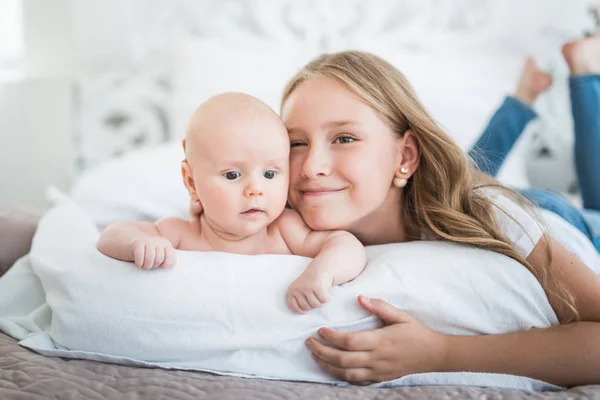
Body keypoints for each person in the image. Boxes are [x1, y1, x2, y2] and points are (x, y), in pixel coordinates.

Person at [278, 39, 600, 386]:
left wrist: (440, 353)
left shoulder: (490, 210)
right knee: (465, 170)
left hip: (562, 219)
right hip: (458, 189)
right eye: (296, 143)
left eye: (344, 138)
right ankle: (523, 97)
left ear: (405, 157)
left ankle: (582, 74)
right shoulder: (280, 212)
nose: (311, 167)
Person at [97, 92, 367, 314]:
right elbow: (110, 236)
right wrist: (137, 245)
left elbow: (346, 245)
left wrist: (323, 272)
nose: (255, 190)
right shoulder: (180, 233)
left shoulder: (285, 231)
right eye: (233, 175)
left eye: (270, 174)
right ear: (192, 183)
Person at [469, 36, 600, 251]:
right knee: (458, 186)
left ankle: (579, 74)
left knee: (457, 188)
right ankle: (578, 75)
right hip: (535, 215)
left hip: (529, 212)